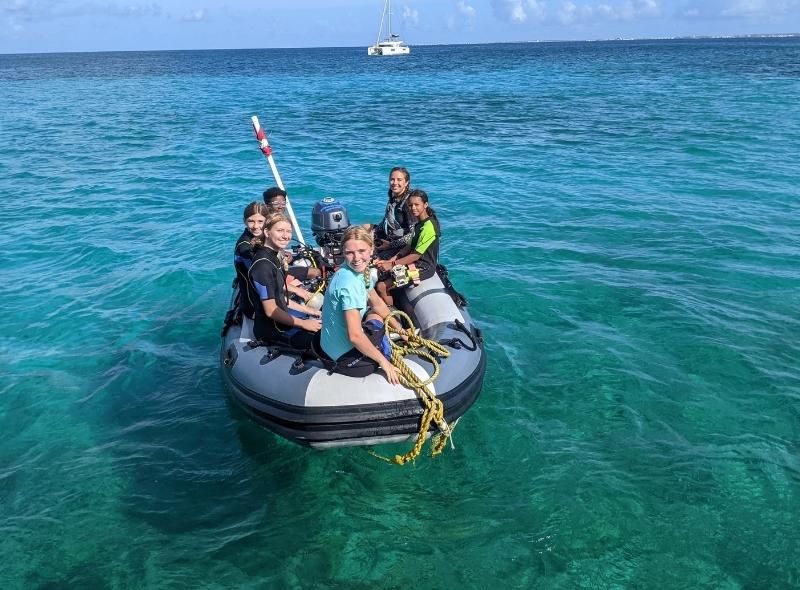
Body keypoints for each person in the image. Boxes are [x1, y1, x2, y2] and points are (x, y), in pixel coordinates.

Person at [320, 226, 407, 384]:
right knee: (376, 321)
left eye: (361, 251)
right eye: (350, 253)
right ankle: (386, 352)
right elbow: (355, 336)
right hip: (346, 359)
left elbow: (376, 302)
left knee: (374, 314)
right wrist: (384, 363)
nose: (356, 258)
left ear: (371, 249)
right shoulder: (350, 284)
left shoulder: (349, 271)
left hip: (329, 347)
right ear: (343, 252)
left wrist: (401, 331)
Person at [247, 213, 321, 350]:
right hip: (273, 330)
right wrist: (304, 324)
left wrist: (308, 310)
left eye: (288, 231)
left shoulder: (274, 257)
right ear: (267, 232)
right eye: (280, 230)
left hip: (283, 319)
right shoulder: (263, 266)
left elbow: (279, 297)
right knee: (323, 343)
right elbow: (270, 310)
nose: (286, 236)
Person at [375, 189, 440, 308]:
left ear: (425, 205)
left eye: (417, 205)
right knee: (381, 274)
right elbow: (408, 246)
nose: (413, 208)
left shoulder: (429, 226)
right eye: (410, 205)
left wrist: (392, 264)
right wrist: (390, 261)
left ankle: (392, 313)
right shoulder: (418, 224)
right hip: (414, 262)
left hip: (424, 267)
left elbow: (416, 255)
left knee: (381, 286)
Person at [262, 186, 322, 303]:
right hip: (275, 269)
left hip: (279, 265)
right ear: (267, 204)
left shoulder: (279, 220)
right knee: (316, 272)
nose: (280, 206)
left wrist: (284, 253)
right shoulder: (266, 224)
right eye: (276, 203)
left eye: (283, 202)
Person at [234, 201, 270, 319]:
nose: (255, 226)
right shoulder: (244, 246)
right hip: (255, 306)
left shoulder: (261, 237)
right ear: (244, 221)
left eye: (260, 221)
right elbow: (262, 277)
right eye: (251, 221)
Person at [374, 167, 415, 258]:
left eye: (399, 180)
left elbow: (413, 235)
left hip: (401, 245)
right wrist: (373, 233)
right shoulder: (393, 198)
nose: (395, 183)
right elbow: (386, 221)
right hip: (388, 237)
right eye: (392, 179)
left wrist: (390, 245)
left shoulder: (409, 203)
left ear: (406, 182)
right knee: (365, 227)